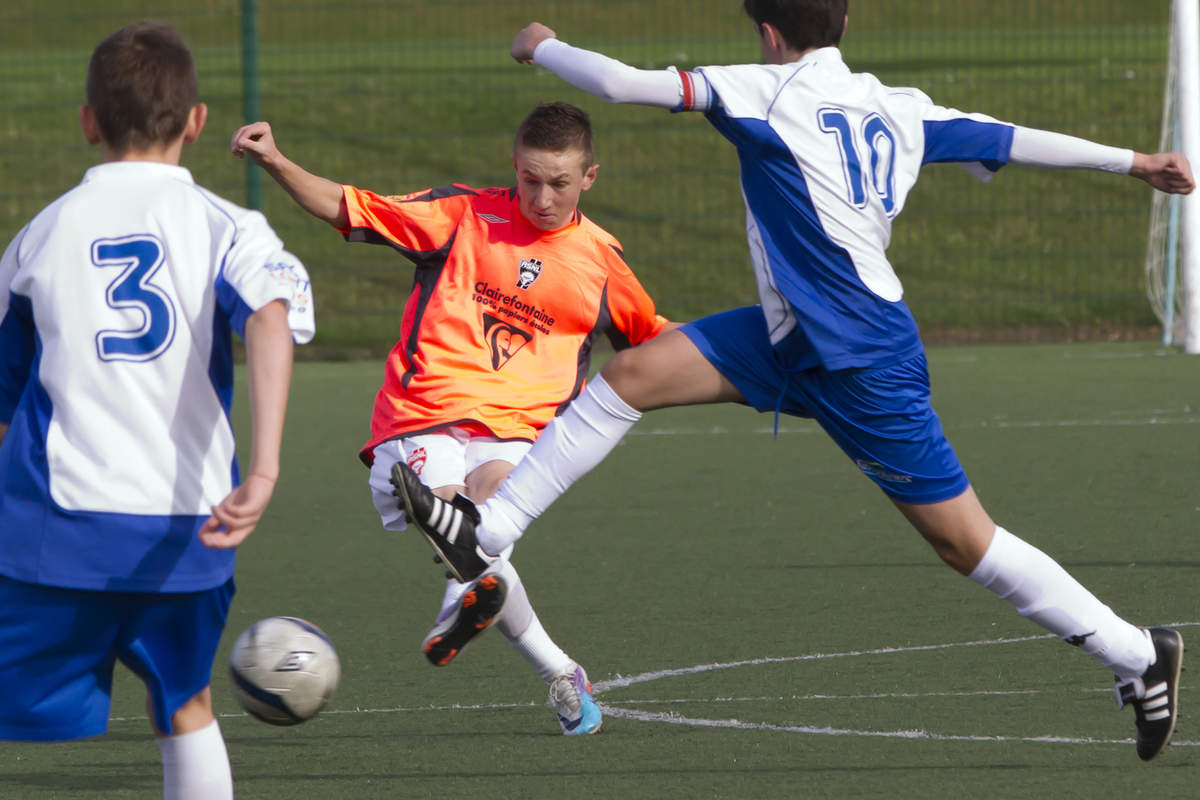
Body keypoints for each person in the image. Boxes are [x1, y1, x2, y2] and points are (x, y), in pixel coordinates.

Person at [392, 0, 1194, 760]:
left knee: (965, 542)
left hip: (859, 361)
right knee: (633, 371)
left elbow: (620, 83)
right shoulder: (895, 104)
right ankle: (488, 532)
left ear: (770, 33)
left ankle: (1138, 653)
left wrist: (541, 45)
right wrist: (1135, 162)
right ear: (844, 22)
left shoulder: (761, 91)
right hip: (784, 335)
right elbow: (1010, 135)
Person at [230, 100, 671, 735]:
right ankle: (522, 646)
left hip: (519, 430)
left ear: (590, 178)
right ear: (513, 168)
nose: (542, 197)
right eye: (530, 180)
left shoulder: (602, 261)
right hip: (422, 413)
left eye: (560, 183)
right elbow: (353, 207)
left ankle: (550, 667)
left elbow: (659, 344)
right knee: (450, 510)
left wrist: (757, 348)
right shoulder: (463, 214)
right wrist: (275, 161)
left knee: (484, 515)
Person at [0, 21, 314, 800]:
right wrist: (266, 468)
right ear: (198, 121)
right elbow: (271, 318)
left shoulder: (38, 238)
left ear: (87, 122)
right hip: (190, 526)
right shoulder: (227, 227)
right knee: (185, 700)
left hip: (56, 527)